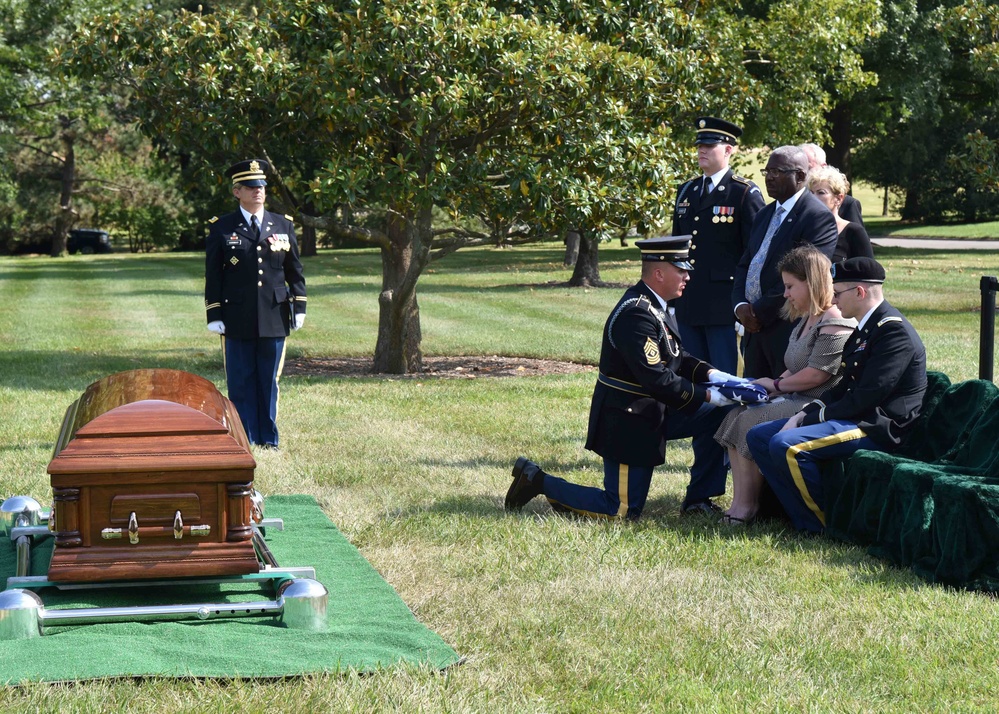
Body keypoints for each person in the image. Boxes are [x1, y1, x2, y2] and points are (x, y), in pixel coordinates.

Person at [505, 236, 742, 519]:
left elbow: (677, 356)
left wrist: (718, 376)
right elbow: (657, 379)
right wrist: (710, 394)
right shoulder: (636, 314)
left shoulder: (657, 304)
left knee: (723, 412)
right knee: (620, 510)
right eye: (681, 270)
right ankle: (535, 479)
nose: (688, 276)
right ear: (659, 273)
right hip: (630, 420)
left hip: (654, 410)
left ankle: (698, 499)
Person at [746, 257, 927, 534]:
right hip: (856, 417)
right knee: (759, 436)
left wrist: (809, 418)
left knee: (786, 444)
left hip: (878, 426)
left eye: (838, 292)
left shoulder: (892, 331)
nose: (832, 298)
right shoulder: (866, 327)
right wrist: (805, 413)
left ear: (860, 292)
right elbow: (842, 388)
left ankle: (822, 526)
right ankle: (794, 516)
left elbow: (867, 397)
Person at [715, 247, 855, 525]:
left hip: (816, 405)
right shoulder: (807, 318)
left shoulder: (836, 322)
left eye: (791, 286)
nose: (786, 293)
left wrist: (776, 384)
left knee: (752, 420)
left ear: (812, 281)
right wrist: (763, 388)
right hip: (794, 397)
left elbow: (817, 376)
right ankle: (741, 502)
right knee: (735, 415)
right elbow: (796, 366)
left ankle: (747, 509)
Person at [204, 159, 307, 449]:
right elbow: (214, 274)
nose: (258, 192)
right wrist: (214, 312)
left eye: (261, 186)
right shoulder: (222, 227)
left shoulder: (282, 225)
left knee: (268, 382)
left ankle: (268, 438)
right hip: (236, 315)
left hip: (275, 315)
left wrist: (299, 306)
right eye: (250, 187)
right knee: (240, 381)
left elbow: (294, 271)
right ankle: (243, 437)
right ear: (237, 192)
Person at [732, 145, 838, 379]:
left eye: (777, 171)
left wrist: (758, 311)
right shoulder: (764, 214)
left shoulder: (817, 217)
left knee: (781, 397)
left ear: (800, 176)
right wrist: (740, 306)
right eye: (767, 170)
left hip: (786, 325)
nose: (769, 177)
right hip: (753, 328)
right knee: (753, 394)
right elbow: (746, 263)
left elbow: (804, 274)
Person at [671, 117, 765, 374]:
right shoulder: (686, 191)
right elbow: (676, 248)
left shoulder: (743, 192)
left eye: (710, 145)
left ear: (728, 150)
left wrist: (747, 303)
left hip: (724, 306)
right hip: (688, 302)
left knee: (725, 376)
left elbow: (756, 253)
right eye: (700, 145)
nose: (702, 150)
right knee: (691, 376)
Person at [808, 166, 874, 262]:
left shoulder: (854, 232)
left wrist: (834, 270)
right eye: (811, 193)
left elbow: (871, 270)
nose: (813, 198)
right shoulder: (802, 228)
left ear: (838, 199)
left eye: (821, 193)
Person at [799, 143, 864, 226]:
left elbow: (856, 235)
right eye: (798, 170)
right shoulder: (793, 201)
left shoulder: (848, 204)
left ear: (823, 166)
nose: (802, 174)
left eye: (808, 168)